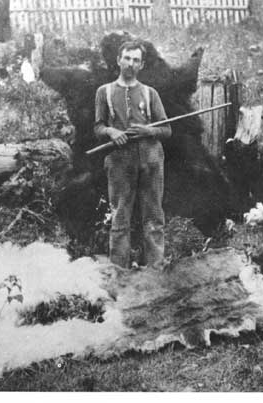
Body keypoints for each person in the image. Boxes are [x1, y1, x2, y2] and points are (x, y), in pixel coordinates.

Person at [94, 41, 171, 269]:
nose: (131, 64)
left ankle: (156, 271)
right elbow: (97, 128)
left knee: (154, 218)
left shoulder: (150, 93)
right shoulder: (104, 92)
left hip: (151, 161)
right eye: (127, 58)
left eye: (136, 60)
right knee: (120, 218)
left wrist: (149, 130)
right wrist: (111, 131)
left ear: (142, 65)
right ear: (118, 60)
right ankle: (120, 273)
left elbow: (167, 130)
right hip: (118, 162)